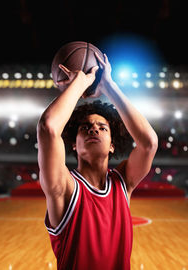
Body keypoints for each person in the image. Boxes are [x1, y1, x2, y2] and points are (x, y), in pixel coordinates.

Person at [37, 52, 158, 270]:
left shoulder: (123, 182)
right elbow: (49, 127)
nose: (94, 128)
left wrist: (109, 86)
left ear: (112, 144)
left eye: (102, 128)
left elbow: (149, 143)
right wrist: (80, 84)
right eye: (85, 127)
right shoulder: (64, 186)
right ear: (74, 144)